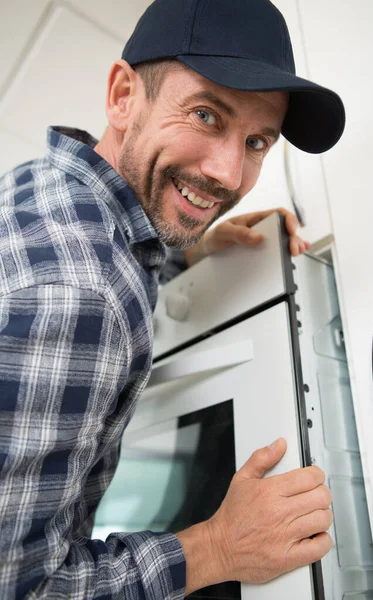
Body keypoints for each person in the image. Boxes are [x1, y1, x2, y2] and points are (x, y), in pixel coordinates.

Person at [0, 0, 345, 598]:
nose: (230, 173)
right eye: (207, 114)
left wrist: (186, 250)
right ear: (123, 95)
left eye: (257, 140)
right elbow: (18, 586)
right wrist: (216, 547)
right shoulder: (81, 297)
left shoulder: (47, 186)